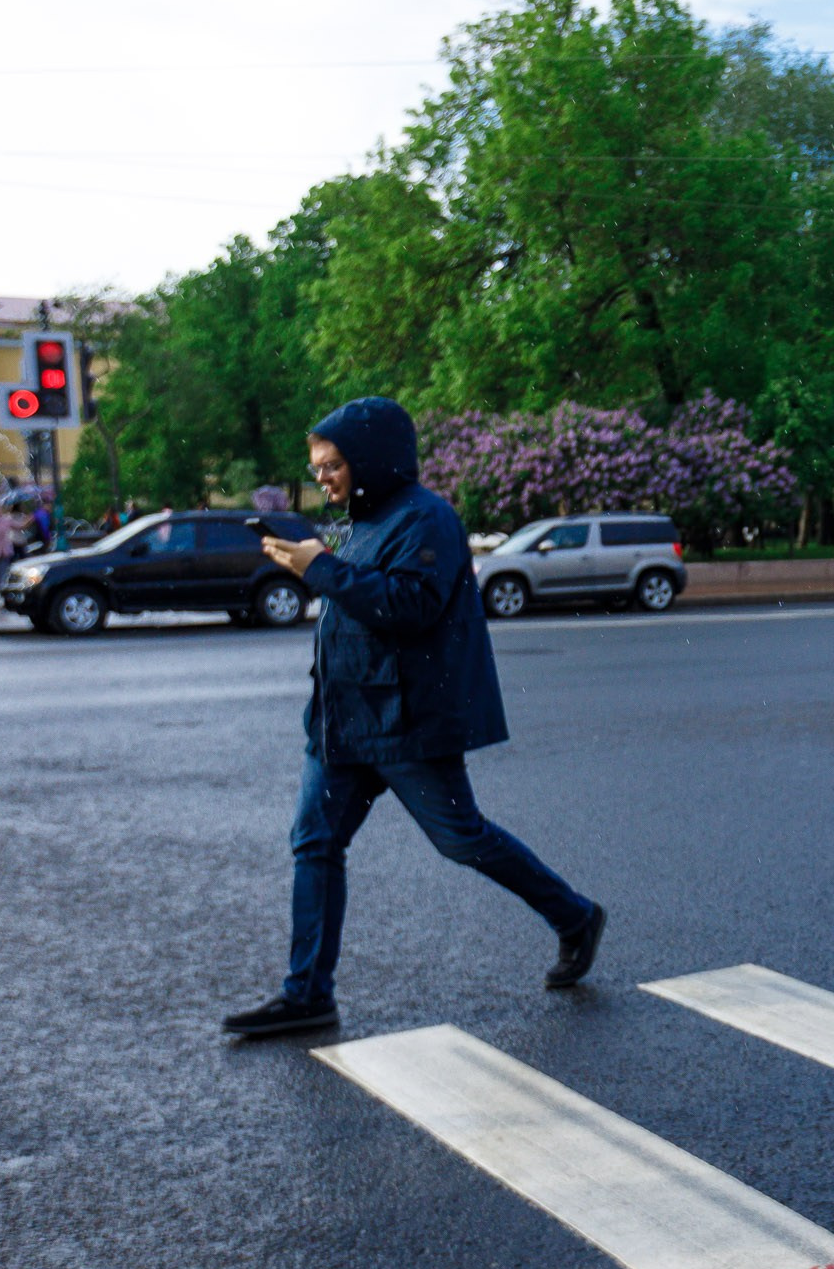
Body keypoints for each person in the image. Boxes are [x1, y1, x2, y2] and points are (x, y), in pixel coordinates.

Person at [226, 397, 605, 1038]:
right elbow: (353, 600)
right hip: (342, 719)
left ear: (372, 459)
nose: (323, 476)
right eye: (317, 466)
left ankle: (574, 916)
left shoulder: (427, 519)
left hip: (403, 719)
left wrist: (318, 566)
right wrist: (317, 562)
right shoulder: (365, 518)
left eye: (333, 464)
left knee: (463, 840)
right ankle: (307, 994)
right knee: (314, 844)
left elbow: (409, 608)